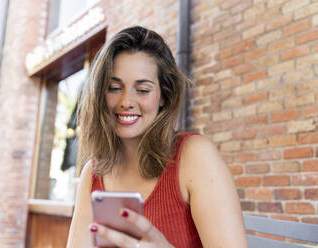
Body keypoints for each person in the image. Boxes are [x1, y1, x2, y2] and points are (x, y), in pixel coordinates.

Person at [67, 26, 248, 248]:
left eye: (142, 90)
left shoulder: (195, 156)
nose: (126, 101)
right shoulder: (93, 172)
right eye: (114, 88)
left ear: (164, 96)